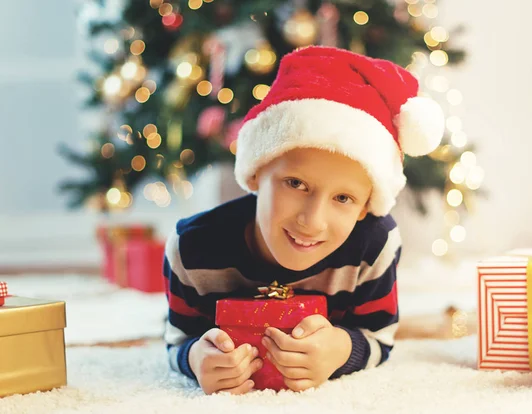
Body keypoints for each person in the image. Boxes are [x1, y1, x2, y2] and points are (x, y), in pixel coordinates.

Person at [163, 46, 444, 395]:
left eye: (343, 198)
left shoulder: (375, 245)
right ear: (256, 172)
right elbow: (177, 339)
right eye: (295, 184)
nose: (312, 222)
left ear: (364, 207)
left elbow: (379, 337)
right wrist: (194, 359)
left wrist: (341, 349)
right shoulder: (193, 247)